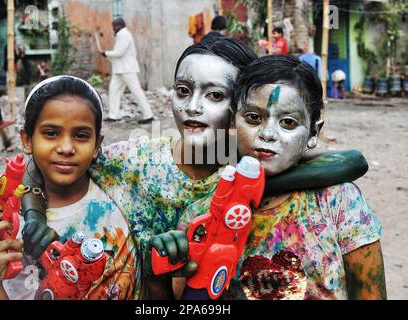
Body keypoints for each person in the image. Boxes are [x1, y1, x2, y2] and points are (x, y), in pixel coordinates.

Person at [20, 37, 370, 298]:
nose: (193, 107)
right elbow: (46, 159)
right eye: (183, 90)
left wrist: (260, 186)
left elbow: (348, 161)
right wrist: (34, 214)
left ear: (242, 105)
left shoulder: (258, 156)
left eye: (215, 95)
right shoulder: (133, 160)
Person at [160, 55, 385, 300]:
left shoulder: (339, 202)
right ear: (233, 122)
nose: (267, 134)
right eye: (253, 118)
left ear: (313, 132)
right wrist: (163, 271)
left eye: (288, 122)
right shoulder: (202, 216)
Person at [0, 75, 140, 300]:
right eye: (51, 133)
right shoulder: (13, 223)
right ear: (27, 140)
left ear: (97, 144)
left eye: (81, 135)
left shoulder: (120, 188)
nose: (66, 148)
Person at [100, 18, 154, 124]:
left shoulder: (123, 34)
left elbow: (119, 52)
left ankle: (148, 115)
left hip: (127, 69)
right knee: (114, 91)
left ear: (119, 26)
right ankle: (113, 115)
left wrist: (106, 53)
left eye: (114, 26)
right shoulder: (122, 34)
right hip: (120, 69)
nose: (113, 29)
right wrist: (108, 55)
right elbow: (119, 54)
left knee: (136, 91)